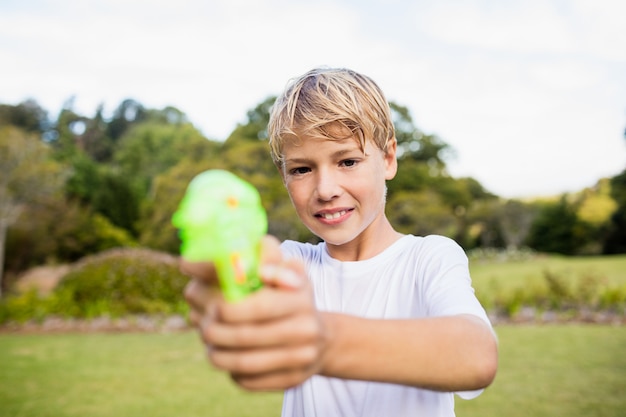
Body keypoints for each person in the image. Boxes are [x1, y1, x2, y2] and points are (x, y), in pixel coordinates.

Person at [182, 67, 498, 417]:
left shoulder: (430, 257)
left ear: (389, 158)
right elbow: (251, 283)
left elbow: (476, 357)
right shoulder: (292, 264)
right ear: (283, 175)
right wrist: (228, 289)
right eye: (301, 169)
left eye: (348, 161)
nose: (326, 190)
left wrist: (320, 341)